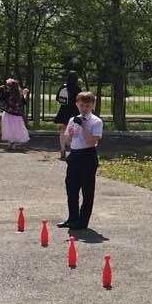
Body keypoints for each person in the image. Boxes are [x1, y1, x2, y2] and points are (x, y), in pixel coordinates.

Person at [59, 91, 103, 230]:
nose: (84, 108)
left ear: (92, 105)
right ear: (77, 104)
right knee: (71, 188)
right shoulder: (73, 120)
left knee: (87, 190)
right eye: (82, 105)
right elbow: (67, 141)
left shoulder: (96, 121)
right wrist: (70, 135)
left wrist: (84, 127)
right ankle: (72, 218)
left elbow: (92, 142)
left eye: (87, 106)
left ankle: (82, 222)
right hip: (74, 155)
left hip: (88, 155)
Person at [54, 70, 83, 159]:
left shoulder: (63, 86)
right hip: (74, 110)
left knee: (63, 129)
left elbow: (58, 99)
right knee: (74, 130)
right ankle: (73, 150)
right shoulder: (77, 89)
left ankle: (62, 149)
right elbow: (80, 100)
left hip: (64, 110)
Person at [0, 78, 31, 151]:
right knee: (16, 128)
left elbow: (0, 98)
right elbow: (23, 103)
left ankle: (10, 142)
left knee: (8, 128)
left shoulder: (7, 93)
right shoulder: (18, 94)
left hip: (8, 113)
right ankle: (13, 143)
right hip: (17, 115)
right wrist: (24, 94)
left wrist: (1, 89)